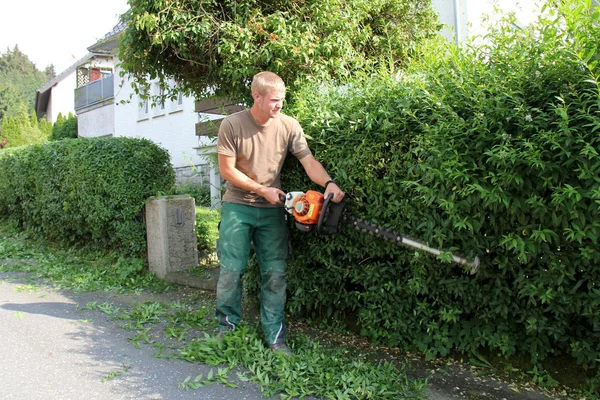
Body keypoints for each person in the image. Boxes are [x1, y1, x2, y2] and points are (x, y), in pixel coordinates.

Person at [215, 71, 345, 355]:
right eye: (274, 100)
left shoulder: (288, 125)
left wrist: (329, 183)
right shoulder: (232, 125)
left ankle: (274, 336)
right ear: (256, 97)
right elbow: (227, 170)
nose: (279, 105)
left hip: (273, 210)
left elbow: (308, 161)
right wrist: (261, 190)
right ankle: (228, 330)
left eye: (282, 100)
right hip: (238, 206)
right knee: (231, 272)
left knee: (275, 275)